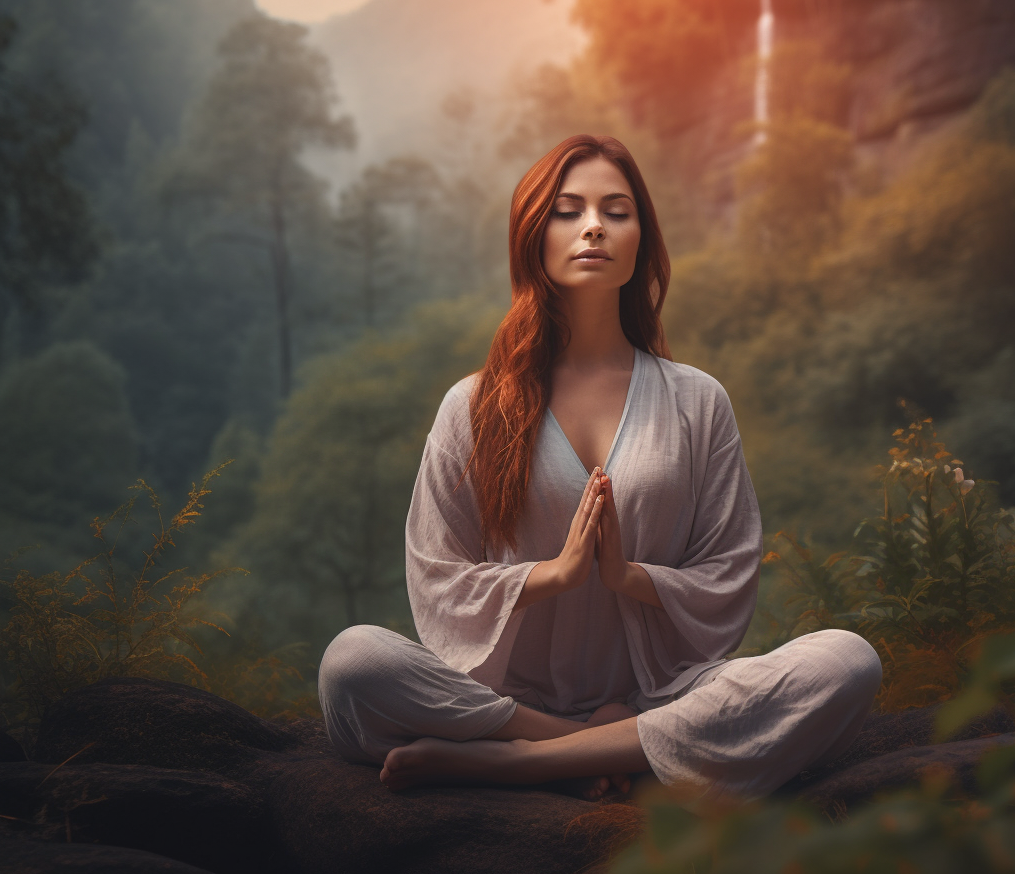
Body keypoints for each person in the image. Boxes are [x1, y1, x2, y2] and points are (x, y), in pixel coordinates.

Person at [317, 134, 881, 803]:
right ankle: (576, 742)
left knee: (847, 661)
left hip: (663, 692)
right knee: (353, 663)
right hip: (508, 696)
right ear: (533, 234)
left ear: (641, 236)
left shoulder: (697, 400)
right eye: (568, 210)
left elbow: (728, 573)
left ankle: (518, 763)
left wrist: (625, 575)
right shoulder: (470, 406)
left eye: (616, 210)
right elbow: (437, 580)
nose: (593, 226)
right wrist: (551, 575)